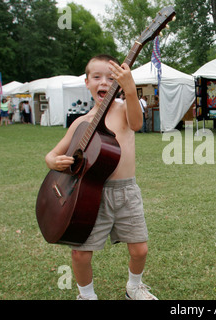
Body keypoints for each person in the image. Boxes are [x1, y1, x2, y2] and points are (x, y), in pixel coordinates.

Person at [44, 54, 156, 300]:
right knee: (80, 254)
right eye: (96, 77)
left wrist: (131, 91)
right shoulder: (80, 123)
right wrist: (52, 160)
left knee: (139, 249)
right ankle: (86, 295)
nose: (103, 82)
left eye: (110, 77)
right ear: (87, 83)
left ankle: (134, 287)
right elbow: (53, 154)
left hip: (126, 192)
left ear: (118, 81)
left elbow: (137, 124)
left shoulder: (125, 108)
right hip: (89, 195)